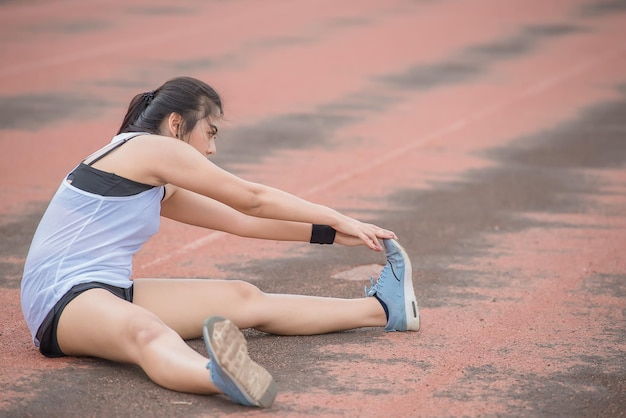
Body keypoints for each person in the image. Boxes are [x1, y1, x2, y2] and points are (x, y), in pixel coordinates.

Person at [20, 76, 420, 408]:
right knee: (147, 332)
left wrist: (332, 235)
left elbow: (241, 221)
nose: (212, 149)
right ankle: (217, 375)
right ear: (177, 124)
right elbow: (252, 199)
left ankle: (383, 310)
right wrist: (337, 215)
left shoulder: (154, 178)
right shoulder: (146, 148)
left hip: (106, 290)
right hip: (63, 297)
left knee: (243, 297)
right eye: (209, 133)